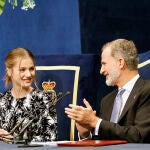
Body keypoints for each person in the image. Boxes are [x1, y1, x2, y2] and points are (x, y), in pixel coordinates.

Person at [65, 39, 150, 143]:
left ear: (120, 63)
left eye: (104, 64)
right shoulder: (107, 101)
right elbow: (102, 140)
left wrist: (95, 121)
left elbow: (139, 135)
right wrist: (85, 133)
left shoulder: (147, 90)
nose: (101, 71)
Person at [0, 48, 57, 143]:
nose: (29, 74)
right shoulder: (1, 100)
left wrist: (13, 140)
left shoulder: (44, 99)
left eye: (31, 69)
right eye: (22, 70)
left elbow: (50, 138)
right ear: (9, 71)